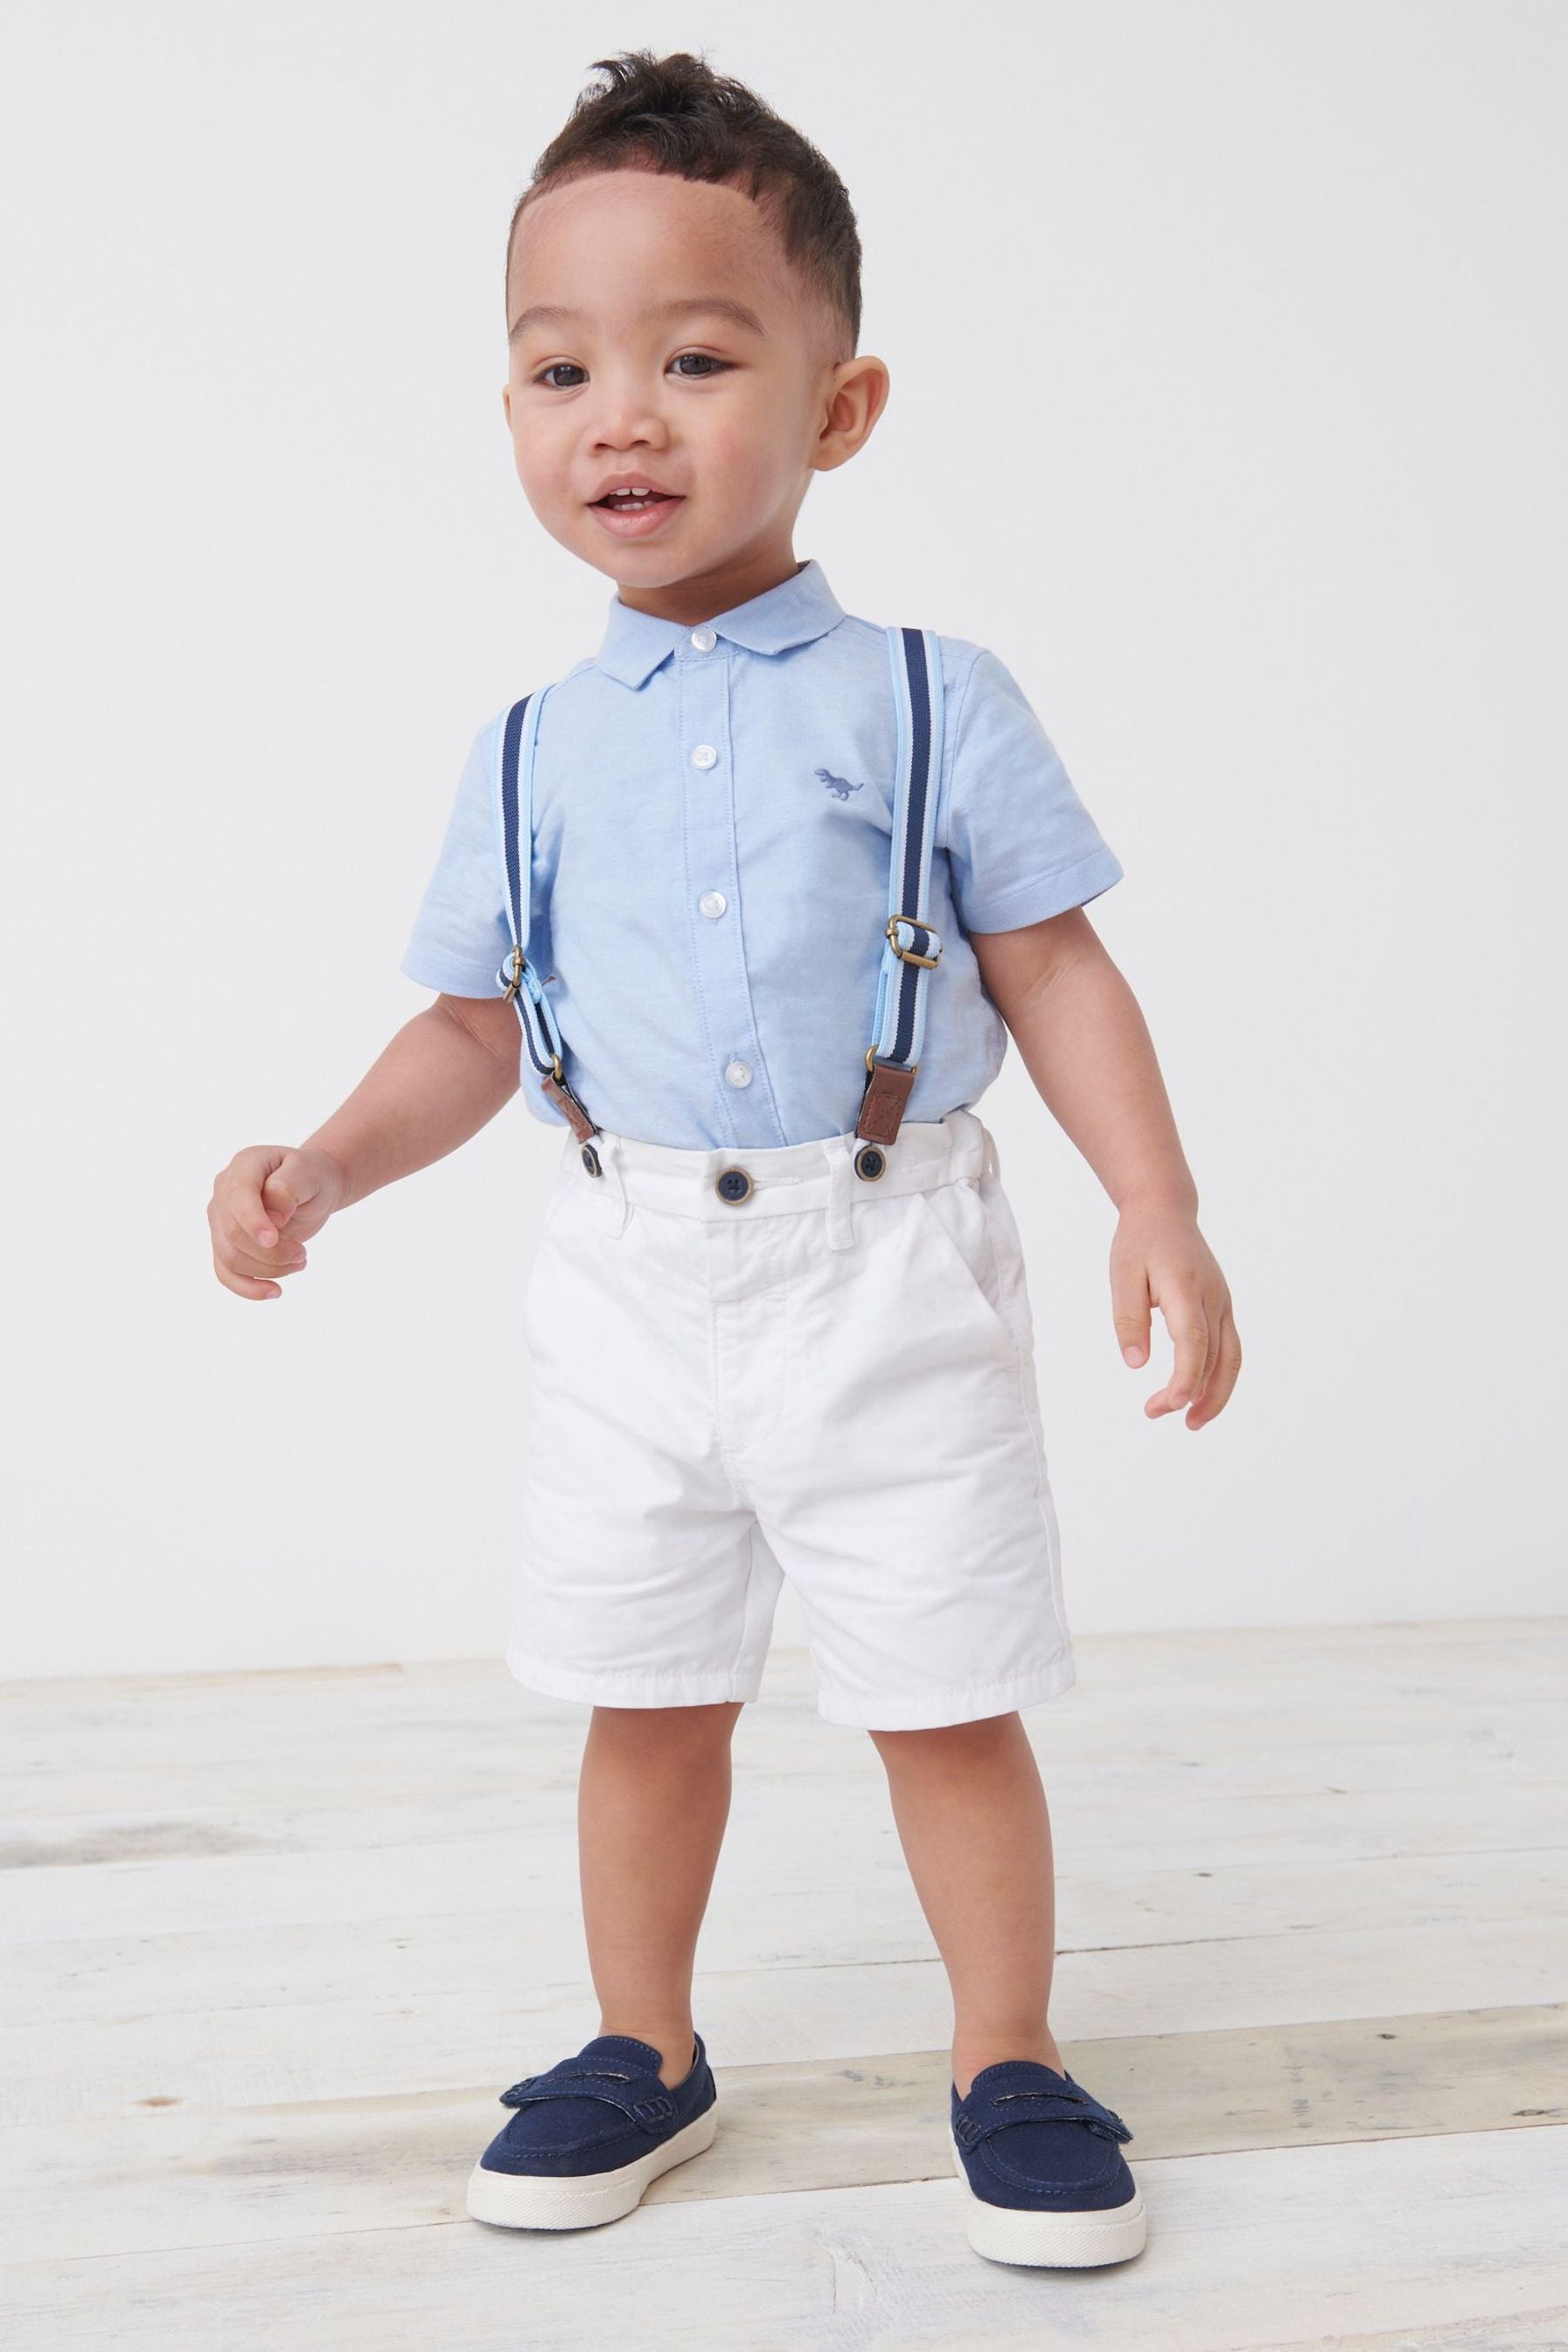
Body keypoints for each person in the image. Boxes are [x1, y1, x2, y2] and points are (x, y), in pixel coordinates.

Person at [206, 48, 1240, 2269]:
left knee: (939, 1688)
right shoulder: (523, 753)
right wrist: (327, 1161)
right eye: (561, 367)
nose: (625, 418)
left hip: (888, 1264)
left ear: (839, 407)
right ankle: (642, 2047)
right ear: (508, 416)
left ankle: (1007, 2054)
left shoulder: (935, 699)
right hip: (630, 1281)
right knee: (646, 1683)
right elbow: (478, 1025)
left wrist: (1154, 1199)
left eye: (697, 356)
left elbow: (1055, 971)